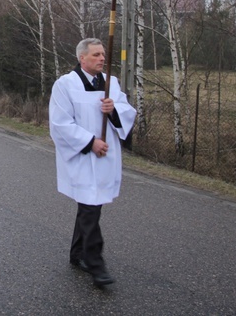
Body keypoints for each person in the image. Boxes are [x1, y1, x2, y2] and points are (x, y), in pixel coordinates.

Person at [49, 38, 136, 287]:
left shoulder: (111, 83)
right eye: (96, 55)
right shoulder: (65, 85)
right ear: (82, 58)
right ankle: (96, 264)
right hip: (82, 156)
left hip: (105, 157)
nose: (101, 59)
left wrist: (114, 110)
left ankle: (77, 254)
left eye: (103, 55)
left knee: (91, 205)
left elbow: (126, 112)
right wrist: (90, 142)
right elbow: (59, 123)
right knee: (90, 207)